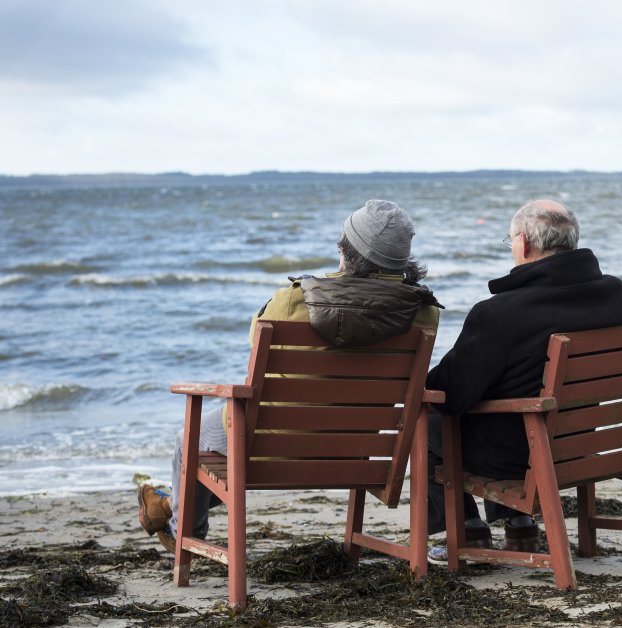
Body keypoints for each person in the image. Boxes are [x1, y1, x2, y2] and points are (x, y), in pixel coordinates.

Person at [137, 200, 440, 553]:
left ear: (347, 251)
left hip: (267, 448)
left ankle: (182, 531)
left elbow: (255, 342)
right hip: (358, 452)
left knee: (186, 438)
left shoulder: (297, 299)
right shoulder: (424, 313)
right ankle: (169, 506)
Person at [425, 199, 622, 560]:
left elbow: (449, 395)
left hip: (522, 456)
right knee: (512, 400)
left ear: (523, 243)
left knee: (426, 422)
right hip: (583, 445)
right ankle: (521, 527)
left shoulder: (499, 314)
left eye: (509, 239)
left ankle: (465, 530)